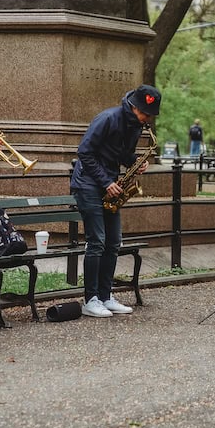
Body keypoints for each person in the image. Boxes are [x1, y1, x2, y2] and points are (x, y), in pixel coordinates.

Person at [71, 84, 161, 318]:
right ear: (133, 107)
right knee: (97, 241)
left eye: (150, 116)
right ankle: (90, 299)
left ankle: (105, 295)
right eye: (144, 114)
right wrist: (105, 181)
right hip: (89, 183)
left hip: (109, 185)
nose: (146, 119)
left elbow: (119, 153)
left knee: (113, 242)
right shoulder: (107, 118)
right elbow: (85, 152)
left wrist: (135, 162)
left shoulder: (134, 125)